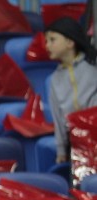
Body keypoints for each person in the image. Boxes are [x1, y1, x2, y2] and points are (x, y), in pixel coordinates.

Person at [44, 17, 97, 164]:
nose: (47, 45)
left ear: (70, 42)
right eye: (46, 41)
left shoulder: (92, 69)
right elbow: (57, 116)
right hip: (74, 142)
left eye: (52, 40)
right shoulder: (54, 80)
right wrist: (61, 150)